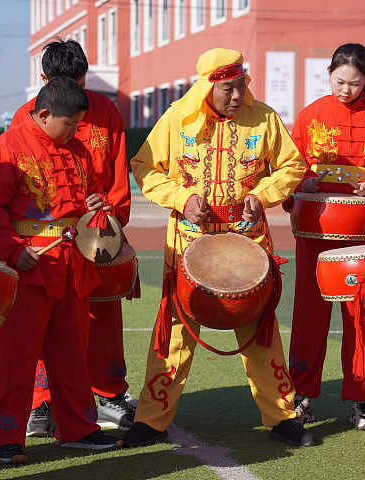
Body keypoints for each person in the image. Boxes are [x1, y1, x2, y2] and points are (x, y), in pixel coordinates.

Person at [124, 48, 313, 447]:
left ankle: (281, 415)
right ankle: (151, 418)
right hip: (189, 243)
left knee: (259, 329)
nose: (237, 95)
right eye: (228, 88)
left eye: (242, 85)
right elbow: (144, 166)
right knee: (175, 330)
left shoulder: (263, 118)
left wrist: (262, 196)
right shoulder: (178, 117)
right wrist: (181, 198)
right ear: (209, 85)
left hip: (247, 242)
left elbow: (292, 165)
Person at [0, 76, 122, 464]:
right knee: (14, 357)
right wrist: (11, 249)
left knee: (73, 354)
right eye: (70, 124)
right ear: (43, 114)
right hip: (28, 266)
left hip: (73, 265)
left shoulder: (77, 150)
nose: (75, 131)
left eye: (78, 124)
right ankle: (4, 437)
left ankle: (79, 428)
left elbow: (88, 201)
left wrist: (97, 202)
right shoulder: (3, 150)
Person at [10, 39, 135, 435]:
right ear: (44, 81)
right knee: (45, 324)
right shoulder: (23, 117)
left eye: (79, 83)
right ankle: (41, 403)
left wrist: (110, 214)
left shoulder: (107, 112)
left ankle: (109, 394)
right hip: (46, 243)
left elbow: (116, 177)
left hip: (95, 233)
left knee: (103, 318)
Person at [286, 43, 365, 429]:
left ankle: (364, 399)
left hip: (361, 234)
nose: (346, 90)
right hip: (316, 230)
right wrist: (300, 183)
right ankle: (301, 393)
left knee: (363, 315)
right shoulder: (310, 116)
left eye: (355, 84)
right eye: (340, 82)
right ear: (329, 74)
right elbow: (291, 167)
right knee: (308, 313)